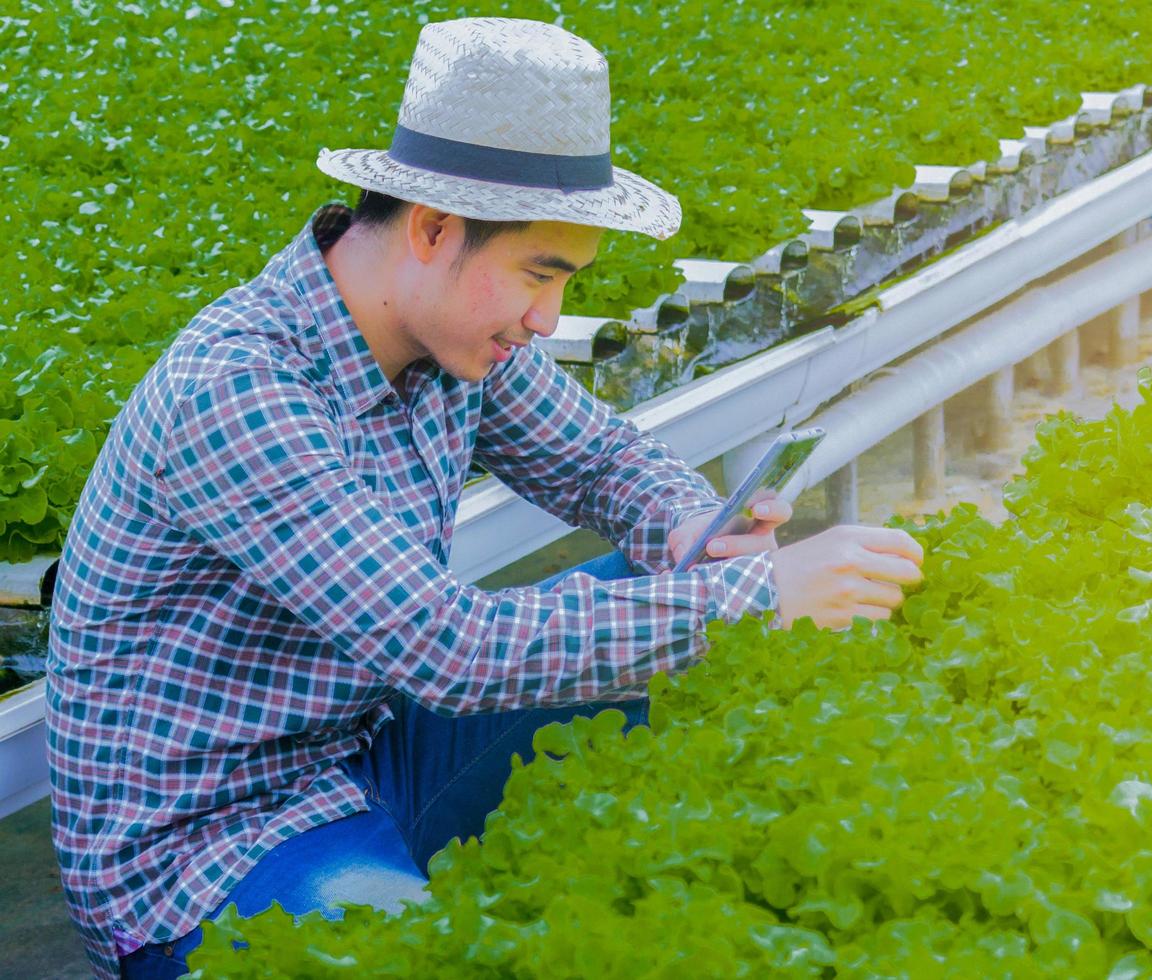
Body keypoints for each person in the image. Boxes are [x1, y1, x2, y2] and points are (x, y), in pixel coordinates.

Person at [44, 18, 924, 979]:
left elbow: (600, 462)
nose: (546, 319)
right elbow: (447, 649)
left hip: (369, 752)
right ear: (432, 230)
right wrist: (764, 595)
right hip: (211, 848)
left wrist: (688, 529)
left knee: (671, 573)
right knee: (437, 961)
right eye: (539, 275)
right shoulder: (240, 390)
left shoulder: (453, 339)